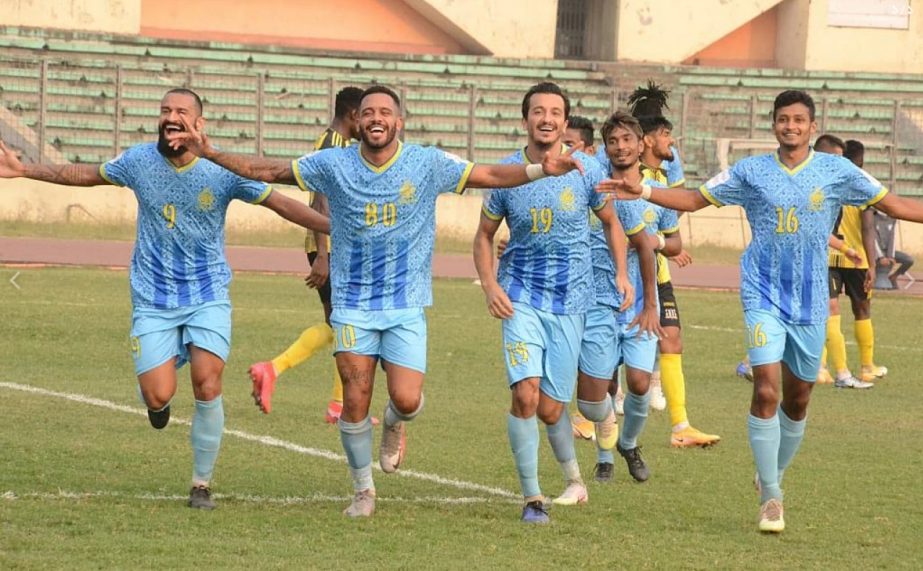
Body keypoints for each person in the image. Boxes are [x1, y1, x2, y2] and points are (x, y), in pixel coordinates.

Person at [166, 84, 586, 518]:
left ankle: (394, 425)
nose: (376, 118)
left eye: (385, 111)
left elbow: (491, 176)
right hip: (352, 303)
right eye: (368, 112)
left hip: (405, 304)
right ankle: (363, 490)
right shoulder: (334, 162)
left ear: (398, 121)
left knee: (405, 400)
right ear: (359, 122)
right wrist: (211, 153)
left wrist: (541, 170)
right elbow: (270, 171)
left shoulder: (425, 162)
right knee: (354, 398)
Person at [598, 89, 923, 533]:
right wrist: (645, 189)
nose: (791, 126)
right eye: (783, 119)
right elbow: (694, 199)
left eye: (799, 120)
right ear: (773, 125)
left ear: (811, 126)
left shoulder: (836, 170)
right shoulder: (751, 171)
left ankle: (771, 472)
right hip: (763, 294)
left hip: (810, 300)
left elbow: (896, 205)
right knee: (766, 388)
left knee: (799, 397)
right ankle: (772, 496)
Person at [0, 88, 330, 510]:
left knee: (208, 382)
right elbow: (83, 175)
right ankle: (160, 390)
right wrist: (25, 170)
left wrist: (336, 228)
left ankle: (201, 485)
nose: (170, 117)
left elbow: (281, 204)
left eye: (181, 112)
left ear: (199, 125)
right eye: (164, 111)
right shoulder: (139, 162)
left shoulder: (222, 170)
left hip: (207, 294)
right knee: (158, 396)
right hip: (152, 298)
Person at [474, 85, 645, 523]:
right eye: (538, 111)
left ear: (565, 123)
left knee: (552, 408)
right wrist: (491, 285)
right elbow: (483, 235)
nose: (546, 119)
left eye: (554, 112)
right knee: (525, 396)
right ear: (525, 119)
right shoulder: (508, 173)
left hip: (572, 302)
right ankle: (532, 499)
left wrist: (622, 274)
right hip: (521, 299)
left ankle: (574, 481)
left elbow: (611, 224)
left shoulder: (586, 169)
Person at [246, 86, 369, 420]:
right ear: (353, 115)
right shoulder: (334, 146)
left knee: (340, 326)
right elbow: (320, 201)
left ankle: (335, 404)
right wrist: (323, 254)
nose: (369, 123)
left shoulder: (337, 143)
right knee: (345, 326)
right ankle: (276, 370)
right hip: (330, 248)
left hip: (333, 247)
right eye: (366, 115)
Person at [635, 108, 721, 448]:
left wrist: (663, 245)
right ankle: (586, 418)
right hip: (624, 278)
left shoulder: (661, 186)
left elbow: (670, 236)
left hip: (659, 275)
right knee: (611, 351)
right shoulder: (625, 177)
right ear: (649, 140)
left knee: (672, 340)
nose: (672, 142)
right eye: (667, 135)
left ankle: (680, 426)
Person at [587, 111, 664, 485]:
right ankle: (605, 457)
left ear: (641, 144)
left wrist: (650, 304)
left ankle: (628, 444)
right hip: (595, 301)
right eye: (613, 141)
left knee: (638, 383)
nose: (620, 147)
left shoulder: (655, 193)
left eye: (627, 140)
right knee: (599, 387)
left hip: (639, 304)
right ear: (605, 147)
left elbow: (665, 245)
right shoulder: (594, 189)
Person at [820, 138, 884, 387]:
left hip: (828, 255)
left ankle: (821, 368)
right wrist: (872, 263)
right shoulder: (862, 185)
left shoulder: (828, 182)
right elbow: (868, 228)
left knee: (828, 311)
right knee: (862, 310)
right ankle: (867, 367)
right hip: (856, 256)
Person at [873, 209, 915, 289]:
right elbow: (873, 239)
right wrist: (881, 257)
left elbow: (893, 237)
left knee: (908, 260)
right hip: (874, 252)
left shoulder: (892, 218)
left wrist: (890, 256)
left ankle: (893, 277)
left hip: (887, 252)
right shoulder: (872, 217)